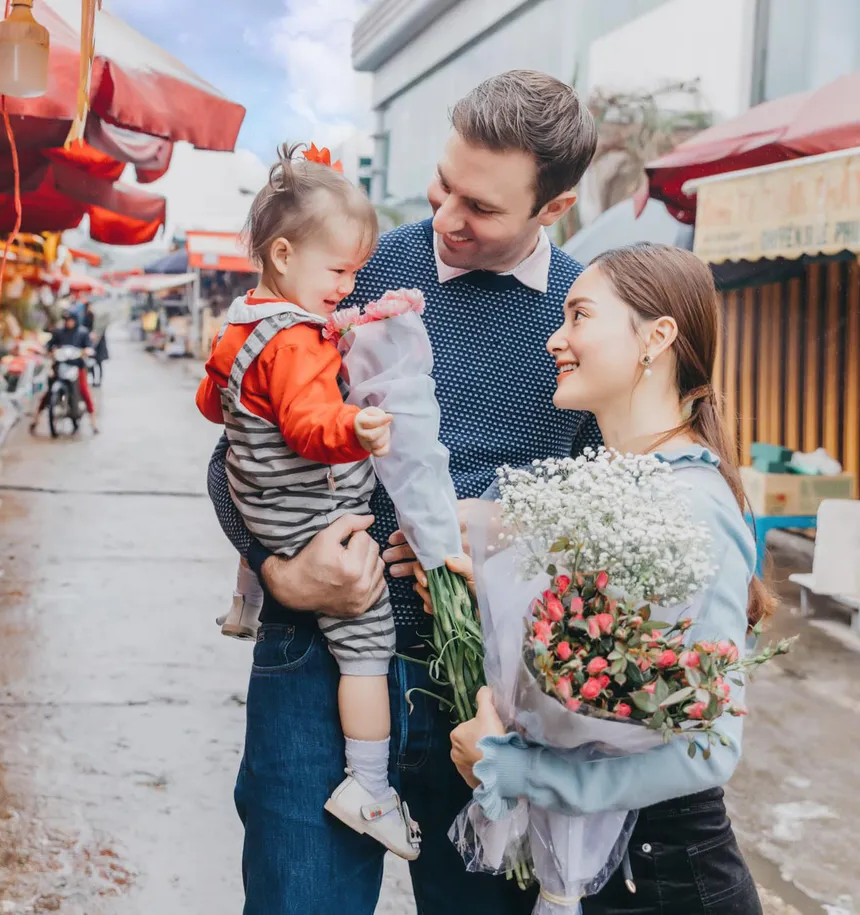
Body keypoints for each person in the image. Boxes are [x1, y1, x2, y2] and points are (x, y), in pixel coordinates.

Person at [206, 69, 598, 914]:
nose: (447, 219)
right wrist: (277, 569)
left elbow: (614, 508)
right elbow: (234, 455)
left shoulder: (587, 313)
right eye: (443, 185)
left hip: (490, 689)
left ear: (553, 208)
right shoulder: (352, 269)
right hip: (317, 657)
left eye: (482, 208)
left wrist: (506, 540)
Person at [448, 243, 768, 914]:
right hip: (602, 868)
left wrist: (522, 770)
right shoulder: (621, 486)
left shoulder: (690, 504)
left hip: (666, 882)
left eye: (579, 315)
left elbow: (708, 751)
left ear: (656, 336)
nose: (554, 339)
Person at [196, 144, 417, 859]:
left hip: (266, 511)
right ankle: (369, 784)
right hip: (314, 522)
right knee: (365, 646)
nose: (350, 285)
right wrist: (353, 424)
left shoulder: (240, 324)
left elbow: (212, 404)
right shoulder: (298, 341)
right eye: (341, 271)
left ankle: (242, 601)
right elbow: (306, 425)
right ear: (284, 254)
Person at [33, 313, 99, 434]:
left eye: (71, 320)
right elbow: (49, 344)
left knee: (84, 391)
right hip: (60, 366)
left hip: (77, 367)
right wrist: (49, 350)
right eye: (67, 320)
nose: (69, 322)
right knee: (48, 393)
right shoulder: (59, 332)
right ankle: (35, 420)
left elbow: (89, 346)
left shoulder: (82, 333)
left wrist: (87, 351)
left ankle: (93, 422)